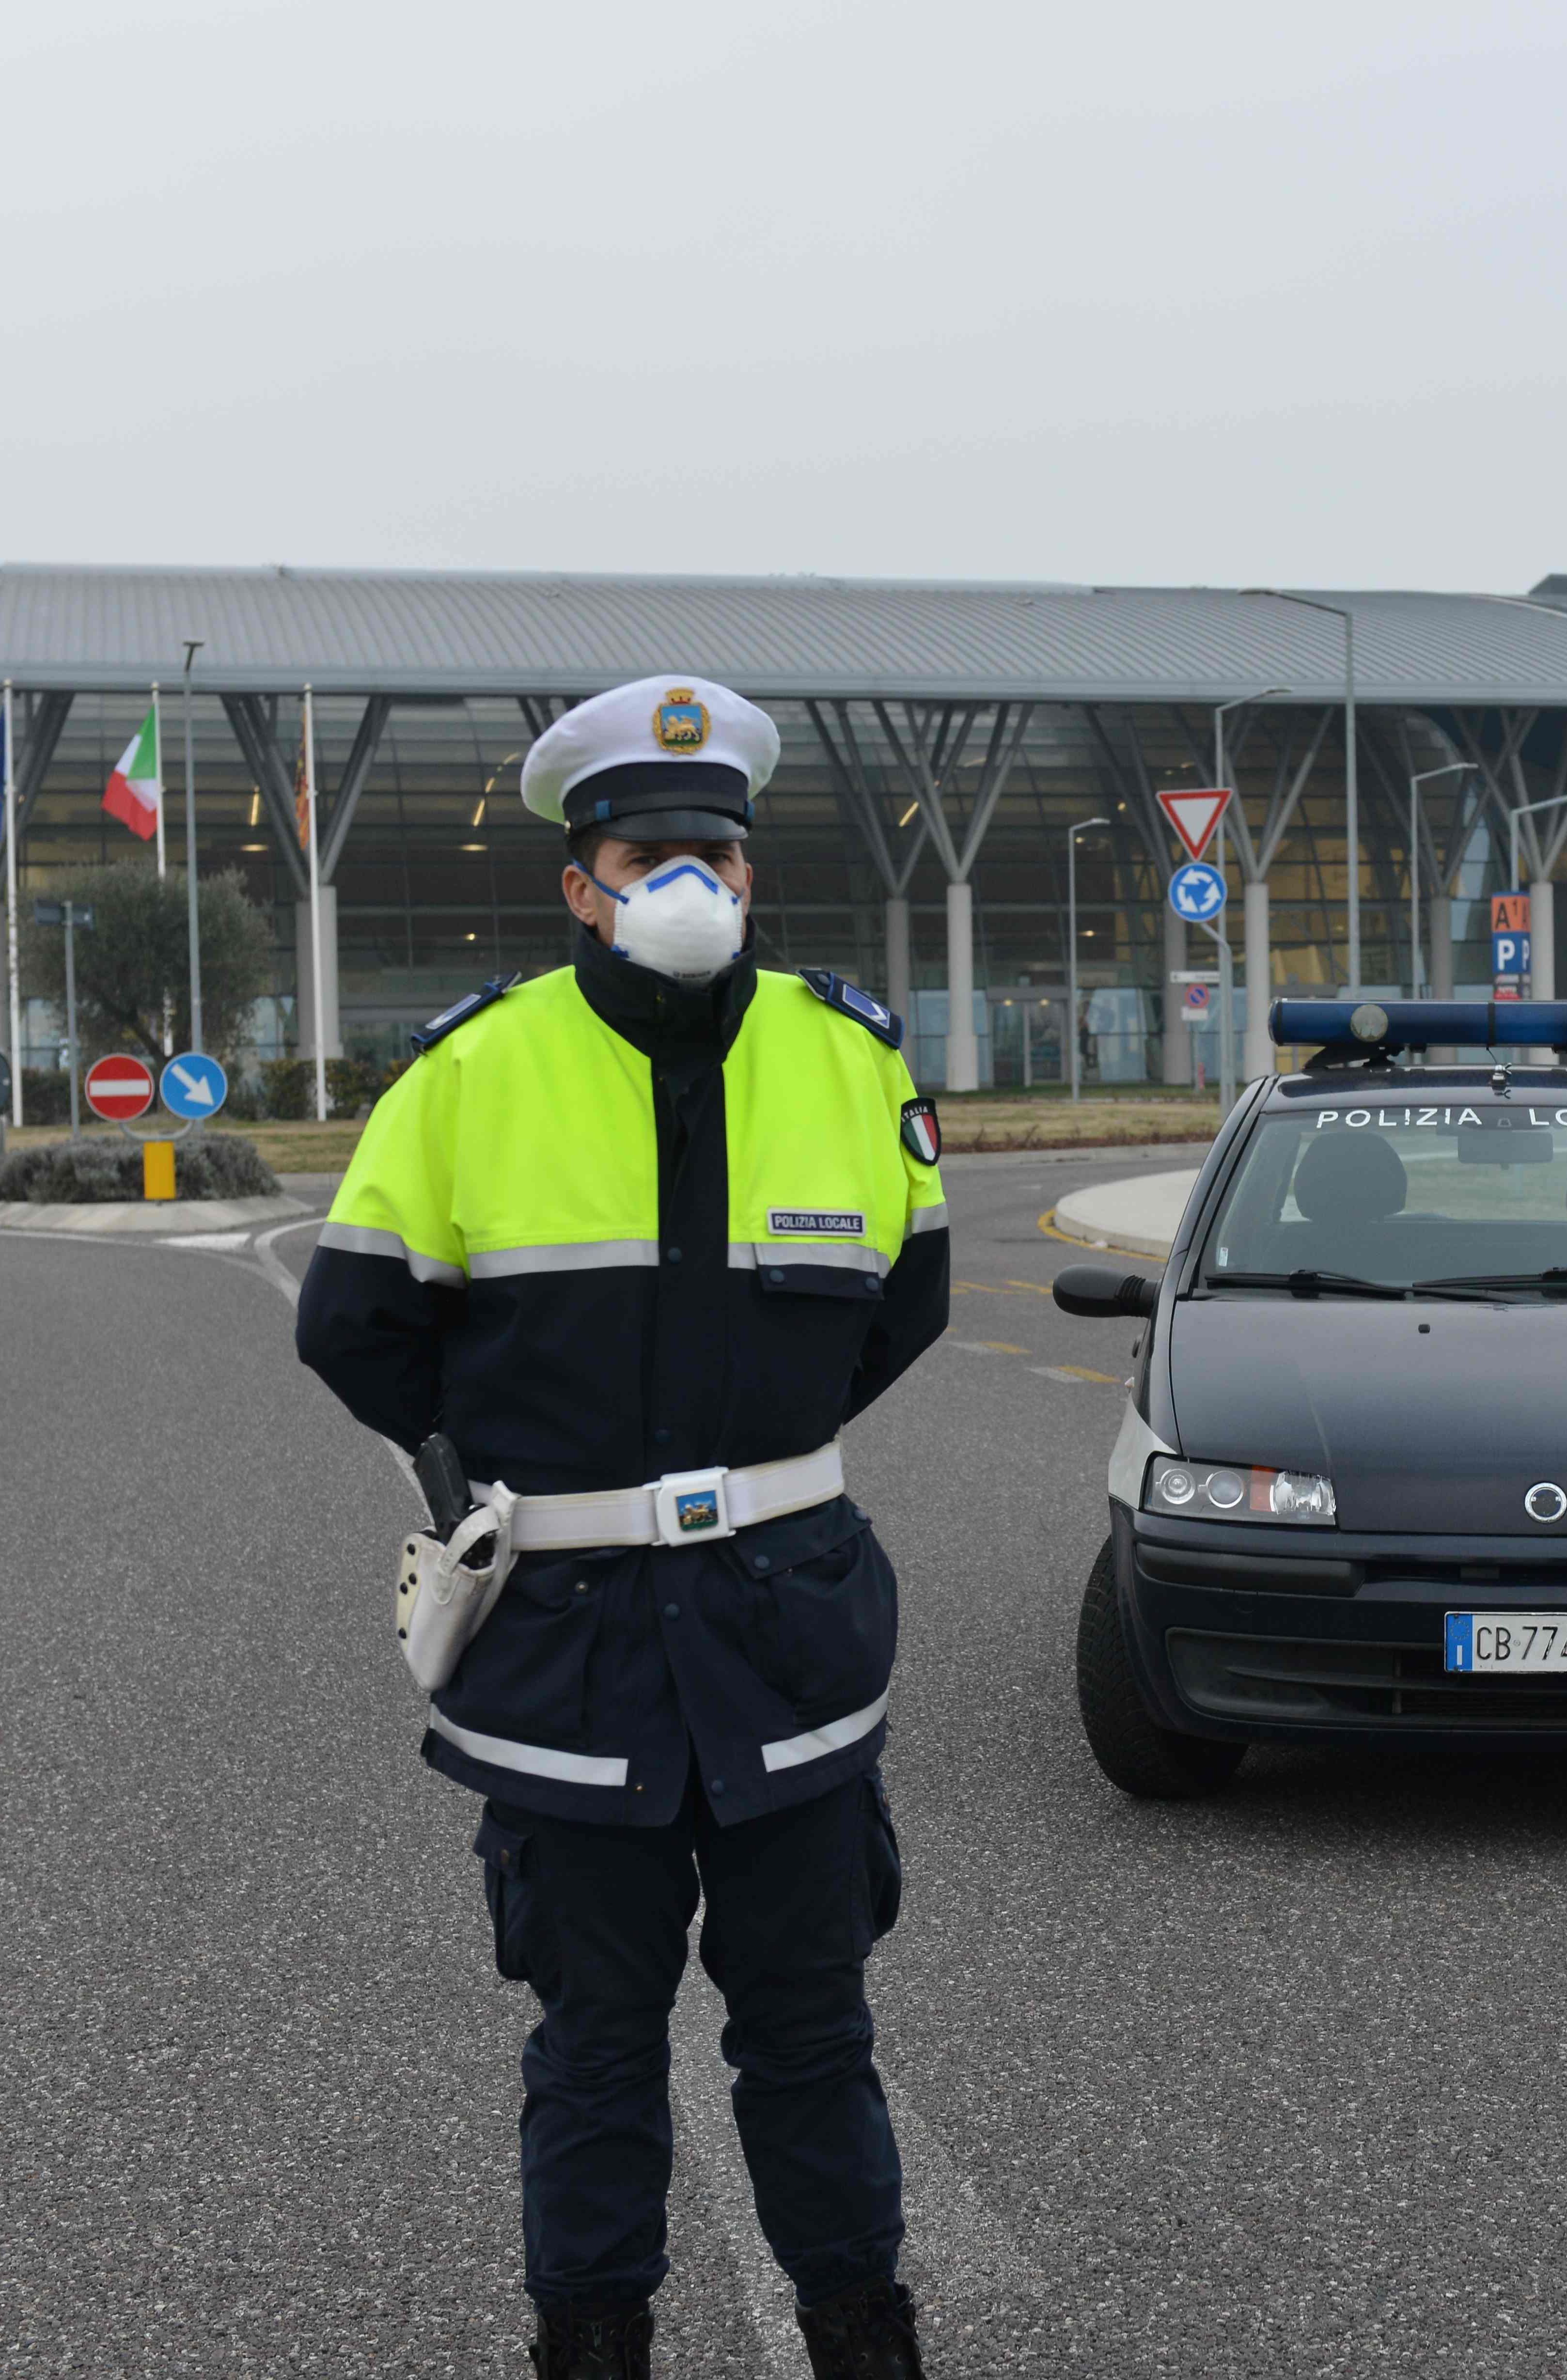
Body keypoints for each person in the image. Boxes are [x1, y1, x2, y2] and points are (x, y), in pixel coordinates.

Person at [296, 675, 949, 2380]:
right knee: (597, 2047)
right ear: (576, 879)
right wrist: (497, 1483)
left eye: (715, 852)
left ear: (752, 873)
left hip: (788, 1638)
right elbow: (354, 1328)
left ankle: (864, 2339)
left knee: (814, 2035)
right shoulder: (470, 1070)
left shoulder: (848, 1054)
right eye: (647, 850)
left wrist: (757, 1459)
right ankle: (591, 2349)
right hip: (571, 1658)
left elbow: (911, 1301)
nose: (688, 881)